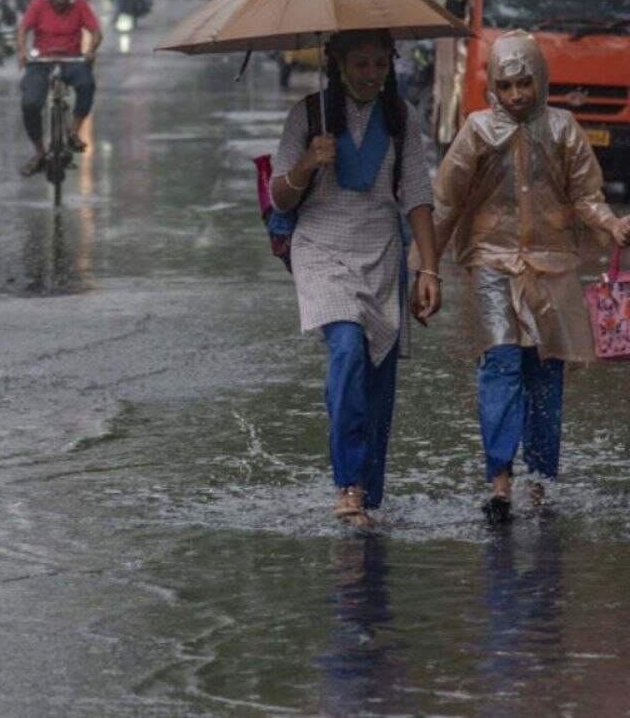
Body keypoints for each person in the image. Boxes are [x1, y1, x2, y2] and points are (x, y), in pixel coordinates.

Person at [433, 30, 630, 522]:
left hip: (553, 267)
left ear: (539, 80)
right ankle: (499, 480)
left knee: (546, 374)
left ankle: (542, 482)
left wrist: (610, 224)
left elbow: (586, 194)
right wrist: (424, 266)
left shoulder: (564, 129)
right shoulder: (476, 131)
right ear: (492, 88)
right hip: (493, 264)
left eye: (524, 83)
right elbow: (446, 202)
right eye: (506, 85)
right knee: (499, 364)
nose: (517, 94)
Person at [270, 29, 441, 527]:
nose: (370, 74)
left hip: (382, 250)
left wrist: (428, 269)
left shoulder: (401, 117)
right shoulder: (308, 114)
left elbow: (416, 197)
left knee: (378, 375)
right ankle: (346, 484)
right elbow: (281, 196)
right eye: (359, 63)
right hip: (320, 248)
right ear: (338, 63)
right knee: (346, 349)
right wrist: (307, 161)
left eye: (379, 64)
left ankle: (368, 493)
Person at [16, 0, 102, 177]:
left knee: (86, 85)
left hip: (72, 59)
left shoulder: (80, 5)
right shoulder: (38, 4)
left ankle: (74, 132)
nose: (59, 1)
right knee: (30, 103)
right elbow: (23, 29)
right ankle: (39, 153)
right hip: (41, 61)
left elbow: (95, 31)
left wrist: (90, 49)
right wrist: (23, 51)